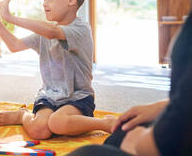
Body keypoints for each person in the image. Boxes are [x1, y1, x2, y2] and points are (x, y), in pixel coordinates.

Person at [0, 0, 116, 139]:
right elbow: (14, 45)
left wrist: (12, 18)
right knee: (39, 130)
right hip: (49, 96)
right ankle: (22, 115)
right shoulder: (45, 32)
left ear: (71, 0)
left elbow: (52, 32)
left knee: (57, 123)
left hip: (77, 97)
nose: (44, 3)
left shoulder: (80, 29)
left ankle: (105, 123)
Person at [67, 10, 192, 156]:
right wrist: (162, 106)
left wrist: (138, 141)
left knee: (87, 153)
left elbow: (166, 143)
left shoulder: (78, 28)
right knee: (119, 134)